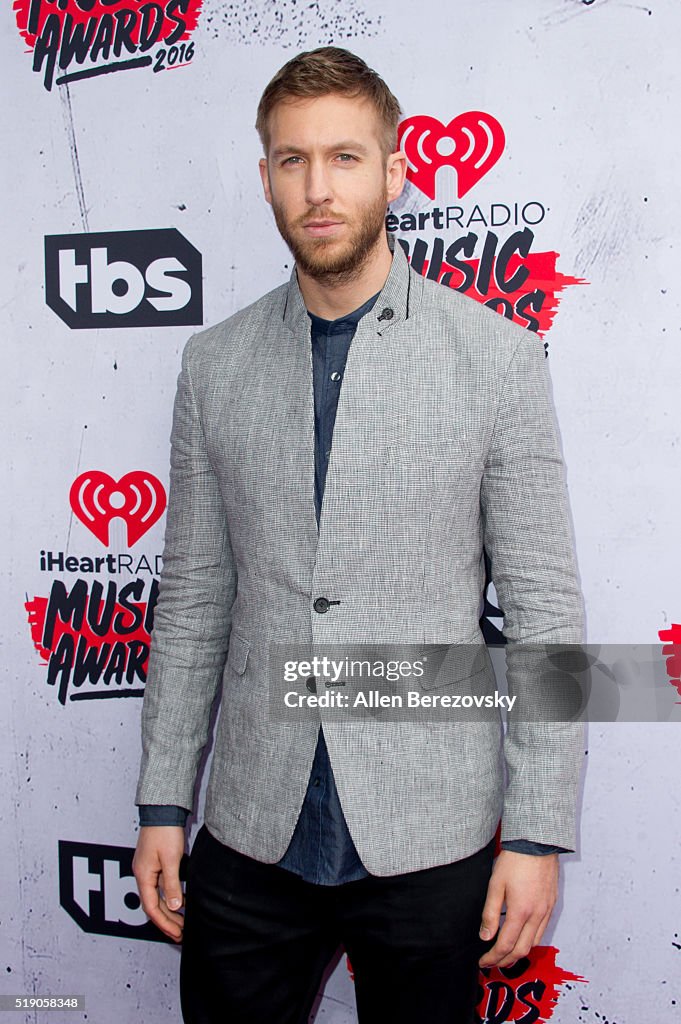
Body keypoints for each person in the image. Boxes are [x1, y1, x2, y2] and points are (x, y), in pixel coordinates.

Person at [132, 46, 585, 1024]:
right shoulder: (213, 366)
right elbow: (196, 599)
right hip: (253, 829)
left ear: (395, 169)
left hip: (433, 834)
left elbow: (547, 611)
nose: (318, 186)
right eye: (292, 160)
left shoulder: (496, 360)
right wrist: (164, 800)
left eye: (344, 156)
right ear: (264, 178)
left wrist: (538, 830)